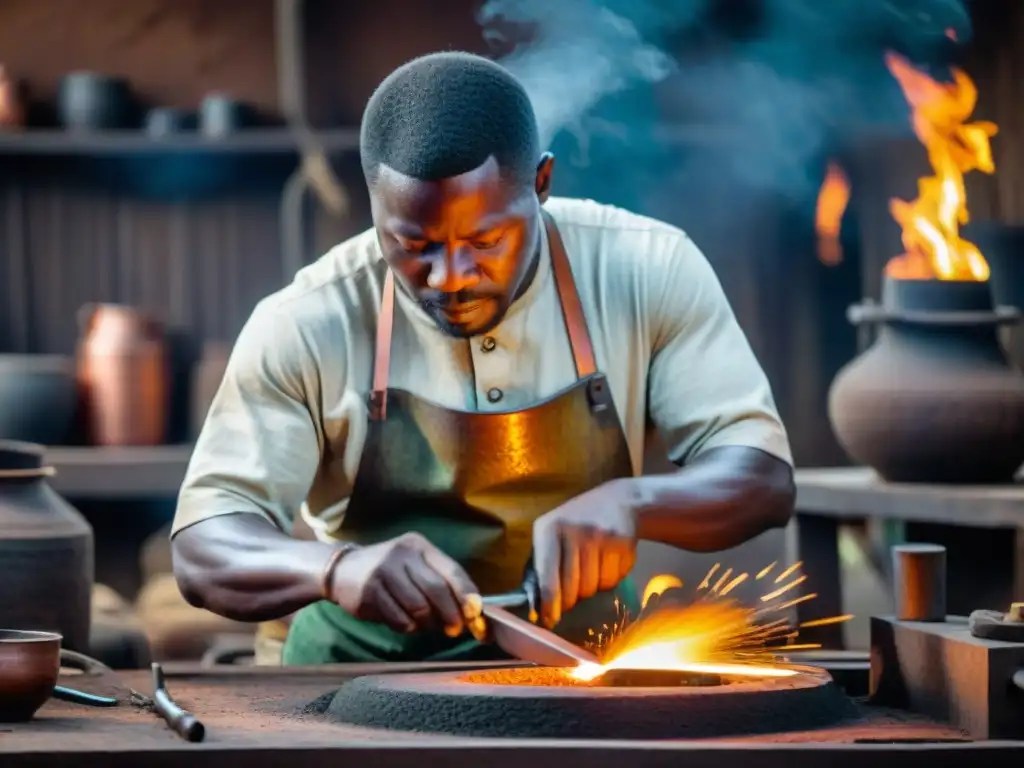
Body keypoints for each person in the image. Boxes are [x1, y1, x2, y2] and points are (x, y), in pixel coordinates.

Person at [170, 51, 795, 665]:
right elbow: (203, 548)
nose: (449, 277)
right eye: (413, 244)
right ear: (374, 207)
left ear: (541, 184)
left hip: (582, 676)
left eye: (485, 240)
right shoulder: (306, 320)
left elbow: (762, 479)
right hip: (356, 687)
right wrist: (336, 567)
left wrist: (632, 504)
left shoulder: (648, 269)